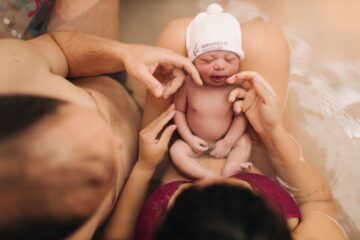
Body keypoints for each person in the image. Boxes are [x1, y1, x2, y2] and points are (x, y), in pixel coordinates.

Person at [103, 3, 347, 240]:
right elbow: (318, 200)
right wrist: (272, 133)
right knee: (263, 39)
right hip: (248, 163)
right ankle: (266, 144)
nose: (220, 179)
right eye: (251, 195)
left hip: (181, 163)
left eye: (190, 193)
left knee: (177, 38)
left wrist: (145, 167)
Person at [0, 31, 202, 239]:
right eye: (99, 174)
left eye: (78, 126)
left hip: (98, 72)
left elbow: (57, 47)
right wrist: (142, 168)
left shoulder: (9, 70)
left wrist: (125, 54)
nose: (118, 144)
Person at [170, 4, 252, 179]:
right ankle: (208, 177)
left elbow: (241, 117)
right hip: (194, 142)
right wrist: (189, 138)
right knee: (176, 150)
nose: (220, 66)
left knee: (244, 141)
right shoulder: (189, 84)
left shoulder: (236, 86)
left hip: (226, 139)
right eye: (207, 60)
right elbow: (178, 111)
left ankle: (232, 168)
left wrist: (228, 142)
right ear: (192, 63)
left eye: (229, 59)